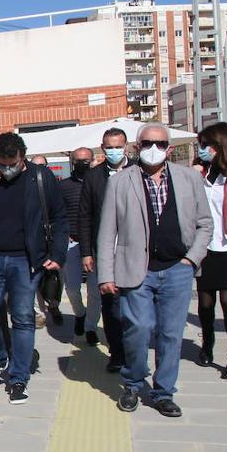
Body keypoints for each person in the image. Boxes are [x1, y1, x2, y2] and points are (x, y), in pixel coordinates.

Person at [98, 124, 212, 417]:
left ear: (170, 149)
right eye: (148, 143)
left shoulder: (189, 179)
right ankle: (133, 384)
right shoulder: (121, 182)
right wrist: (105, 275)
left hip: (177, 268)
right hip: (136, 270)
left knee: (171, 334)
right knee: (138, 329)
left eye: (161, 144)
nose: (154, 149)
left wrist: (191, 260)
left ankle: (163, 392)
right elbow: (107, 230)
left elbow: (205, 223)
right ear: (136, 147)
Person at [0, 133, 67, 404]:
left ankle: (18, 377)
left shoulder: (41, 177)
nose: (6, 168)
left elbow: (59, 217)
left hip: (27, 260)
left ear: (22, 157)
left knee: (23, 317)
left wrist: (58, 254)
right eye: (1, 163)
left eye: (11, 162)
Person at [194, 123, 227, 379]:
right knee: (205, 303)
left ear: (220, 145)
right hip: (206, 245)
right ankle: (207, 344)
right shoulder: (204, 172)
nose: (202, 150)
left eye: (206, 145)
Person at [79, 127, 131, 371]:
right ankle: (117, 353)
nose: (113, 151)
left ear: (127, 145)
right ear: (102, 148)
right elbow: (85, 216)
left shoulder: (138, 171)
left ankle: (133, 349)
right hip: (105, 250)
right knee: (110, 304)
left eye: (117, 146)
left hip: (134, 249)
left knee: (133, 304)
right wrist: (86, 252)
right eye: (109, 147)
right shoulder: (94, 176)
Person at [59, 147, 101, 343]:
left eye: (86, 160)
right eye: (79, 160)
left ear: (93, 161)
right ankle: (80, 313)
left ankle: (91, 327)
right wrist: (64, 233)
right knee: (73, 288)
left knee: (94, 290)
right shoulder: (64, 186)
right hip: (72, 242)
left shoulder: (100, 183)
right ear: (72, 161)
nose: (83, 163)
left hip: (95, 245)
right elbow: (58, 213)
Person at [28, 155, 57, 328]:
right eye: (36, 166)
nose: (40, 169)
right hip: (33, 242)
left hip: (51, 240)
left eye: (43, 165)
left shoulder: (53, 186)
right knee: (33, 279)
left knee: (53, 278)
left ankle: (53, 304)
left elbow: (60, 214)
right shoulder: (27, 187)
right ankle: (39, 313)